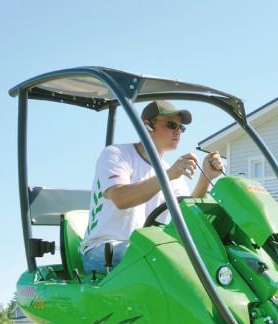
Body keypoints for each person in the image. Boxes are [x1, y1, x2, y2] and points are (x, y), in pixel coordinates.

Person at [80, 100, 225, 273]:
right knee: (165, 257)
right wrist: (169, 175)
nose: (178, 131)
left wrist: (205, 178)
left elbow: (187, 214)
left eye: (181, 128)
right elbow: (121, 198)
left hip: (147, 249)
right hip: (103, 251)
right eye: (172, 125)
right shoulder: (116, 154)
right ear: (147, 126)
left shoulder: (169, 170)